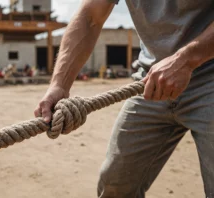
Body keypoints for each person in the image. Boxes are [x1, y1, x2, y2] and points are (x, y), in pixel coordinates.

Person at [34, 0, 214, 197]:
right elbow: (90, 16)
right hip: (149, 82)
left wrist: (188, 59)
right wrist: (59, 84)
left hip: (209, 78)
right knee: (115, 187)